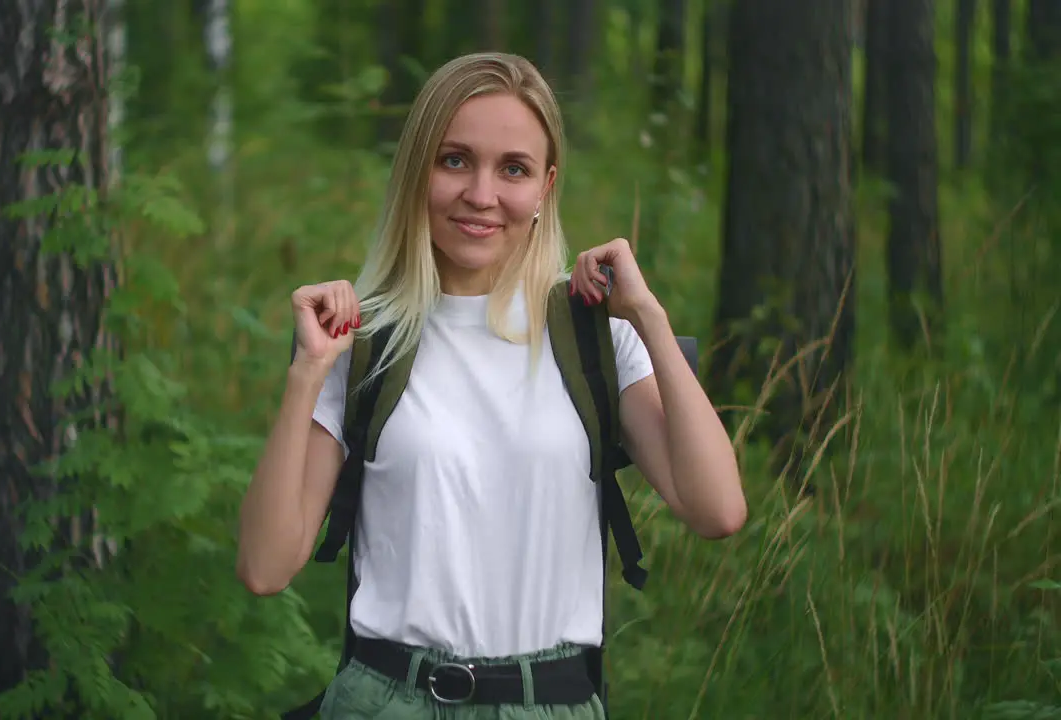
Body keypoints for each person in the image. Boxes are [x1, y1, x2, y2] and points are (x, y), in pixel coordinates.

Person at [236, 52, 747, 718]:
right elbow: (265, 568)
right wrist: (308, 372)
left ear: (545, 187)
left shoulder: (594, 337)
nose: (481, 194)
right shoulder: (361, 344)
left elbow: (717, 511)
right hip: (388, 700)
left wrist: (648, 318)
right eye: (454, 160)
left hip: (552, 702)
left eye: (513, 169)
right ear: (418, 169)